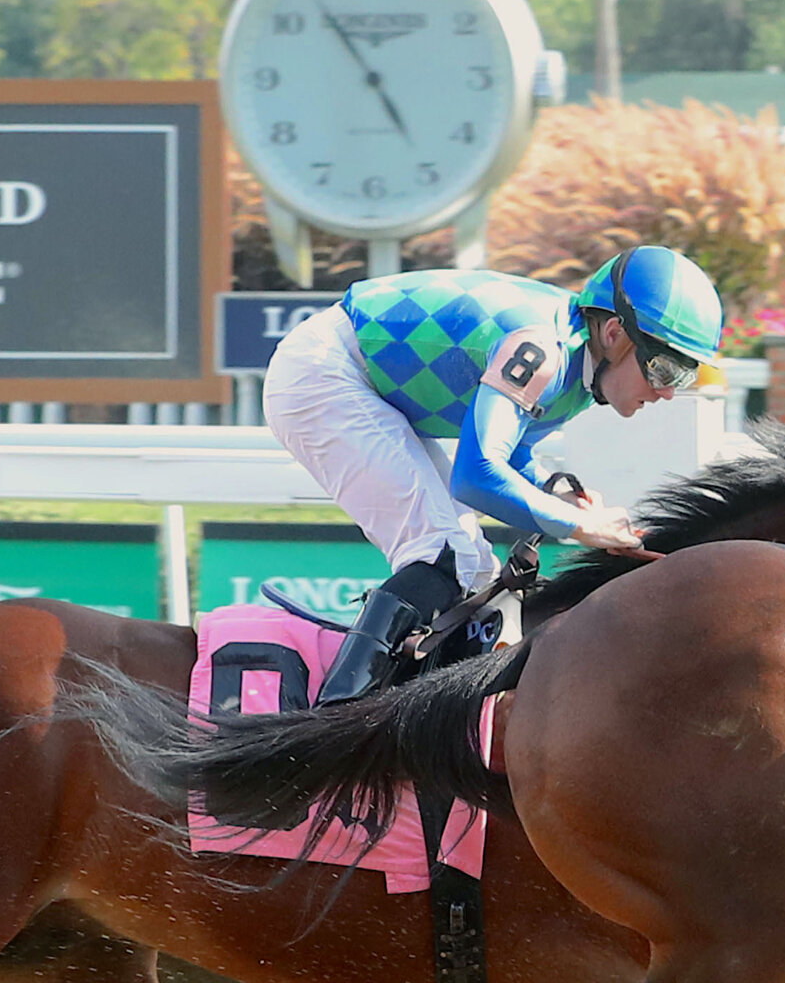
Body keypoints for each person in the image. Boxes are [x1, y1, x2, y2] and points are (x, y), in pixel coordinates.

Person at [260, 246, 725, 702]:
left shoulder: (580, 378)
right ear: (615, 333)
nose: (667, 392)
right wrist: (580, 526)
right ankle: (336, 724)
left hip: (364, 384)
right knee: (442, 552)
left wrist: (557, 495)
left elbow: (509, 457)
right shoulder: (544, 350)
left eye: (683, 376)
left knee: (477, 566)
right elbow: (477, 475)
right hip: (323, 372)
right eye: (665, 368)